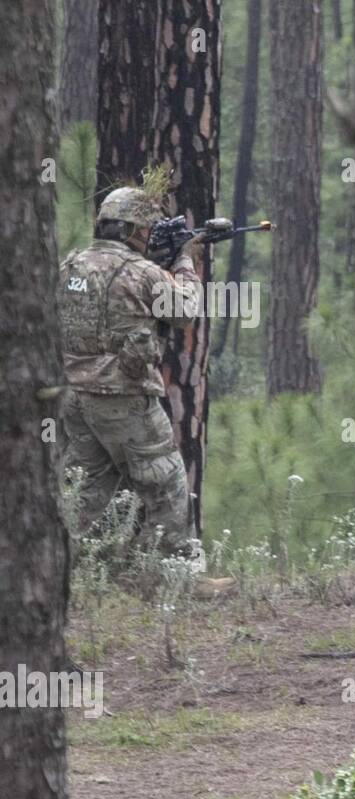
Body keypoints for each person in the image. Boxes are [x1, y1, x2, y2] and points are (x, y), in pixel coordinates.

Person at [57, 185, 217, 582]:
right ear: (134, 230)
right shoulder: (141, 272)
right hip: (123, 396)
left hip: (74, 396)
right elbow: (184, 312)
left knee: (85, 487)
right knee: (165, 480)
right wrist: (183, 262)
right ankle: (176, 576)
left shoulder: (71, 264)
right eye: (147, 229)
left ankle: (52, 568)